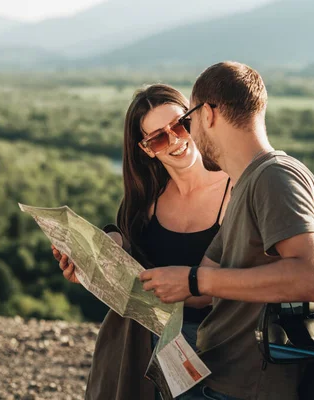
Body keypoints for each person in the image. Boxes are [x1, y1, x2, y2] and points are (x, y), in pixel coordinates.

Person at [140, 62, 314, 400]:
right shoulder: (248, 184)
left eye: (189, 120)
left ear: (209, 114)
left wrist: (193, 280)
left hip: (247, 388)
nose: (190, 132)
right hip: (216, 378)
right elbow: (202, 284)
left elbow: (311, 278)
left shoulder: (275, 177)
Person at [52, 84, 231, 399]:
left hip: (219, 356)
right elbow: (128, 260)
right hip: (146, 350)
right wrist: (95, 258)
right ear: (147, 149)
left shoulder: (236, 190)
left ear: (196, 120)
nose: (175, 139)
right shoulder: (146, 200)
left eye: (180, 125)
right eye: (159, 137)